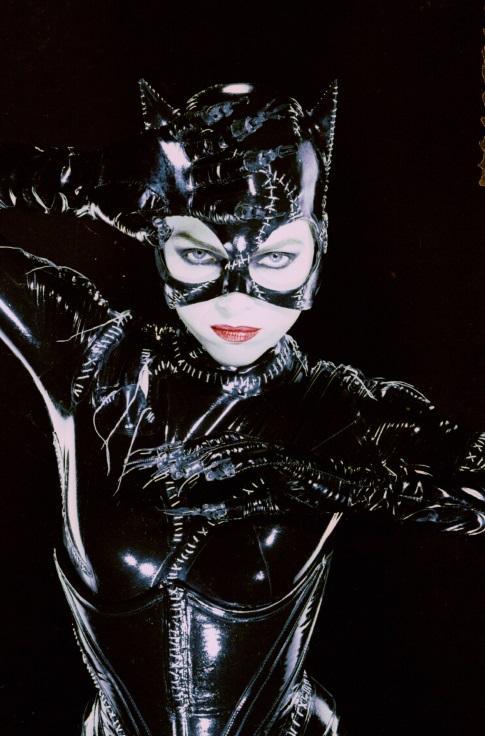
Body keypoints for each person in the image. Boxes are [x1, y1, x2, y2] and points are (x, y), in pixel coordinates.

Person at [0, 80, 483, 736]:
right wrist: (76, 179)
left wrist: (332, 481)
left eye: (276, 256)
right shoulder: (90, 357)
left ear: (318, 249)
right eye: (198, 253)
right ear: (156, 239)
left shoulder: (341, 409)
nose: (235, 300)